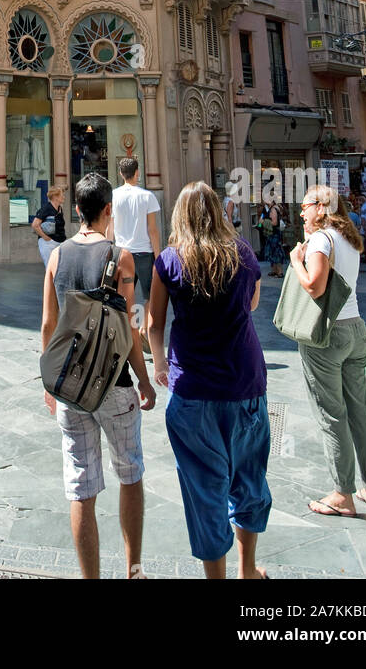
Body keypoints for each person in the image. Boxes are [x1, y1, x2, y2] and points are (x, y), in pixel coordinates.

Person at [148, 181, 271, 580]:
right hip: (244, 382)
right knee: (249, 478)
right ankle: (247, 569)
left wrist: (159, 366)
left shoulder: (168, 261)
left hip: (193, 391)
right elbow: (251, 304)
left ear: (180, 216)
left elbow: (154, 322)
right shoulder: (244, 253)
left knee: (204, 490)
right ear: (219, 213)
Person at [41, 173, 156, 580]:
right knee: (130, 474)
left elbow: (48, 326)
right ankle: (134, 570)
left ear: (75, 210)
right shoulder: (121, 258)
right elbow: (130, 329)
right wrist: (144, 378)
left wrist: (50, 383)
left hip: (70, 388)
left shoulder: (56, 257)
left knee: (81, 488)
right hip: (114, 384)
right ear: (108, 210)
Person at [289, 185, 366, 518]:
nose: (301, 212)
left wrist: (295, 261)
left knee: (332, 415)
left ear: (322, 207)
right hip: (357, 328)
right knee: (359, 410)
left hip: (328, 335)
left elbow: (314, 285)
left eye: (305, 206)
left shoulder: (320, 240)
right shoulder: (349, 240)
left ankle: (342, 494)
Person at [108, 158, 161, 351]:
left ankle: (124, 332)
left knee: (122, 294)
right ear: (137, 172)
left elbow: (110, 227)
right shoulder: (147, 196)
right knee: (149, 296)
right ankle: (142, 329)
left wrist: (108, 248)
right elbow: (152, 229)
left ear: (121, 174)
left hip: (121, 252)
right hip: (144, 253)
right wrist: (159, 255)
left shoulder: (113, 196)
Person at [31, 184, 67, 267]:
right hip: (49, 243)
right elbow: (35, 225)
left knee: (60, 269)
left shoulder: (59, 209)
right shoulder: (46, 208)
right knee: (51, 268)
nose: (64, 197)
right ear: (55, 197)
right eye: (62, 195)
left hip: (60, 242)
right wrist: (46, 238)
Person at [259, 200, 286, 278]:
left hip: (275, 234)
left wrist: (263, 221)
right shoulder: (269, 208)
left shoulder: (273, 209)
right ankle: (274, 270)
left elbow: (274, 223)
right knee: (272, 252)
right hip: (272, 233)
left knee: (276, 252)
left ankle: (279, 272)